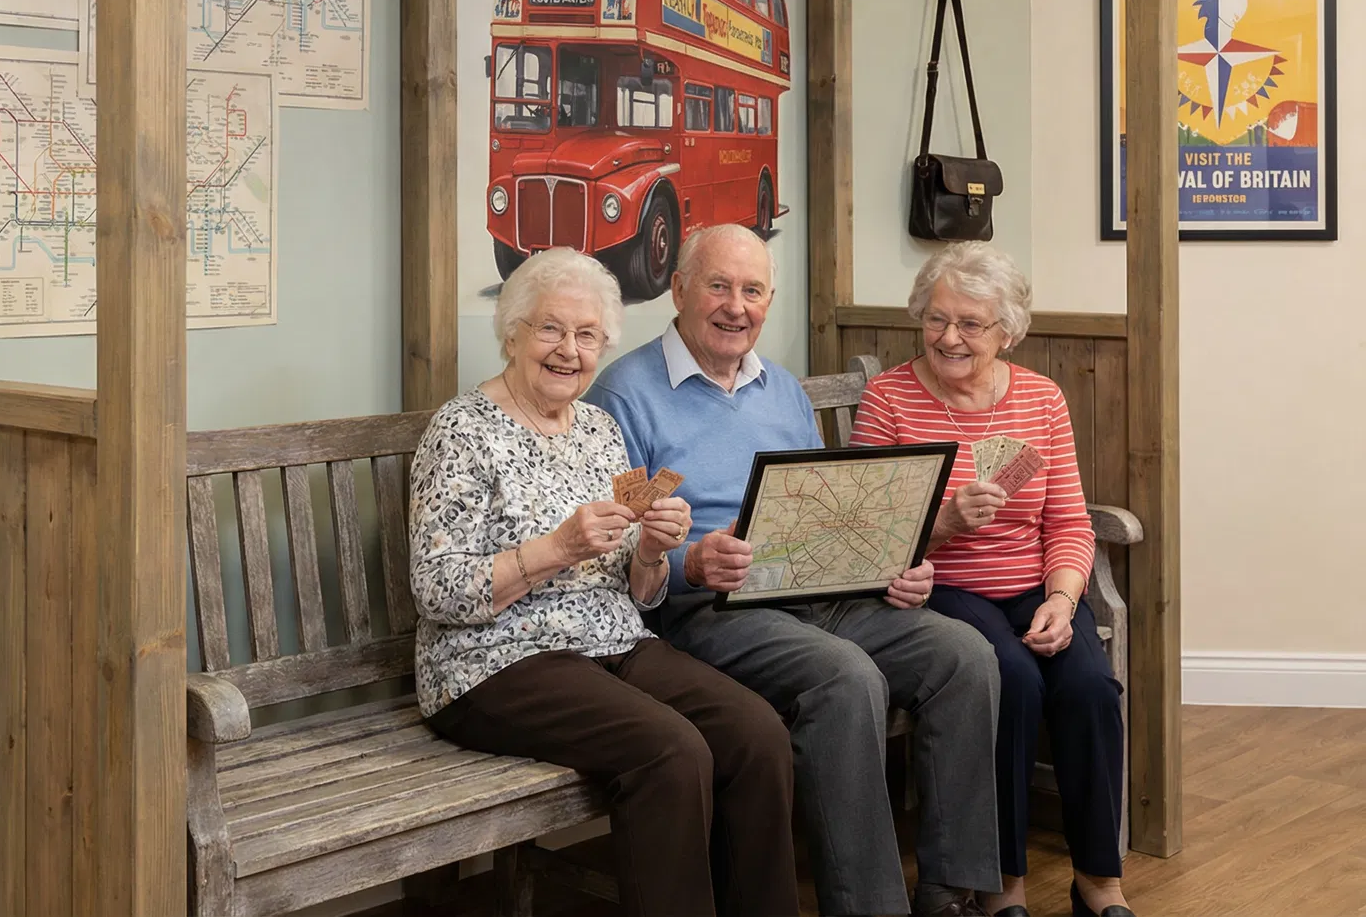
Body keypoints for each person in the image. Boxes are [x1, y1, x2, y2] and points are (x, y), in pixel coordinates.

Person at [585, 224, 1000, 917]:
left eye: (752, 291)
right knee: (846, 678)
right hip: (709, 610)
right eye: (718, 286)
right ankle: (869, 908)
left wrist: (889, 567)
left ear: (768, 301)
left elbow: (827, 508)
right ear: (679, 289)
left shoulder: (779, 388)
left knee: (965, 656)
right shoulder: (624, 395)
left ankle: (949, 893)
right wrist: (694, 562)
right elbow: (621, 543)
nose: (736, 306)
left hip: (816, 591)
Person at [410, 246, 799, 917]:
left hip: (613, 642)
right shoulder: (460, 431)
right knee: (670, 751)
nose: (569, 351)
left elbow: (640, 591)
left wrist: (652, 548)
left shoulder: (599, 429)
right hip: (495, 662)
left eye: (587, 335)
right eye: (551, 329)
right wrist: (554, 549)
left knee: (755, 731)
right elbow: (439, 591)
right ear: (514, 332)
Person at [849, 244, 1133, 917]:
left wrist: (1064, 600)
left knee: (1090, 686)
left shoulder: (1040, 398)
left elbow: (1068, 520)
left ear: (1006, 330)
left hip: (1035, 587)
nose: (949, 337)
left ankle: (1100, 878)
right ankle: (1002, 883)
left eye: (970, 324)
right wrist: (945, 522)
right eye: (937, 319)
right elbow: (865, 540)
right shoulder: (889, 400)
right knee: (1013, 680)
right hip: (942, 590)